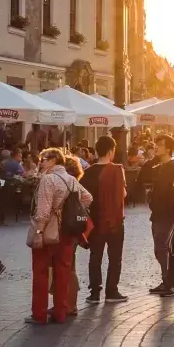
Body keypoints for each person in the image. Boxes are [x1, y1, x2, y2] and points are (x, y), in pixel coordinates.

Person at [28, 148, 90, 323]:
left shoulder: (48, 179)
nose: (41, 162)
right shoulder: (71, 180)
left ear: (54, 160)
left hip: (49, 231)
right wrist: (67, 211)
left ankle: (39, 314)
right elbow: (88, 198)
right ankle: (60, 313)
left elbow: (43, 211)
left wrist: (39, 232)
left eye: (44, 159)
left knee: (40, 272)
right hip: (67, 232)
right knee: (63, 272)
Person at [82, 135, 128, 303]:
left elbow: (83, 198)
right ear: (111, 151)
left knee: (95, 256)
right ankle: (111, 291)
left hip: (95, 221)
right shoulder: (117, 169)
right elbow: (122, 194)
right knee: (114, 257)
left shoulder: (87, 172)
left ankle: (94, 293)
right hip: (114, 221)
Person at [143, 136, 174, 297]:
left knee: (165, 249)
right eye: (156, 144)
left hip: (167, 214)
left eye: (160, 145)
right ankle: (167, 280)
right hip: (157, 213)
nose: (156, 147)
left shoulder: (173, 167)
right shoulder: (159, 166)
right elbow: (144, 174)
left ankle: (171, 284)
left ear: (168, 148)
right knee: (159, 249)